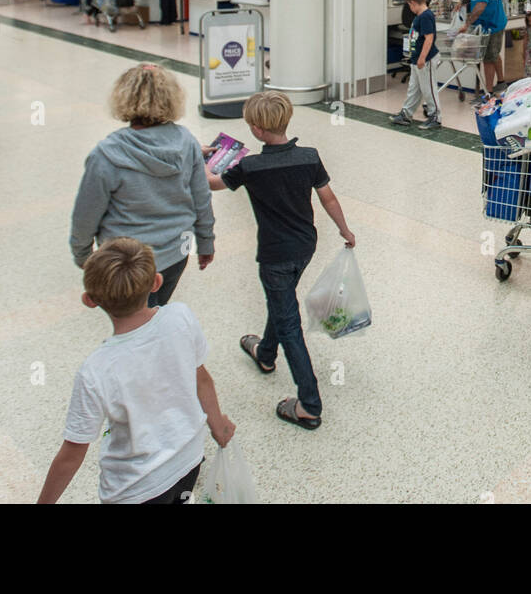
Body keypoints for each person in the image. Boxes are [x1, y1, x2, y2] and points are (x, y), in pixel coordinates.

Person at [38, 238, 235, 504]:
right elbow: (201, 378)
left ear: (90, 300)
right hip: (188, 460)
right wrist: (218, 425)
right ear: (156, 282)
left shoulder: (96, 370)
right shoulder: (180, 318)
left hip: (133, 489)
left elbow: (74, 450)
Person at [207, 91, 355, 430]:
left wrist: (199, 165)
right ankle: (266, 353)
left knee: (289, 323)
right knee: (283, 299)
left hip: (274, 254)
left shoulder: (250, 167)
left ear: (257, 130)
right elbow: (328, 197)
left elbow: (214, 184)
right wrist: (345, 230)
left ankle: (309, 405)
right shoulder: (309, 157)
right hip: (305, 246)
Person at [69, 64, 215, 306]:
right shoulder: (187, 142)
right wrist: (206, 241)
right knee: (157, 312)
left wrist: (84, 257)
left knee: (135, 326)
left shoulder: (107, 154)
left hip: (126, 263)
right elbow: (202, 198)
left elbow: (85, 214)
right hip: (177, 253)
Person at [390, 0, 442, 131]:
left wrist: (422, 58)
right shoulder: (420, 16)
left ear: (413, 3)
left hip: (425, 60)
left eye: (409, 5)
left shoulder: (426, 16)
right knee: (414, 88)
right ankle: (406, 113)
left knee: (429, 88)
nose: (410, 8)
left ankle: (435, 117)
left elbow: (429, 38)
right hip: (416, 60)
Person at [465, 0, 507, 93]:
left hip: (493, 24)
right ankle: (501, 82)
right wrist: (462, 2)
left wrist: (467, 24)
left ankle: (488, 92)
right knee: (493, 54)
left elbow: (480, 7)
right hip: (485, 23)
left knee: (488, 57)